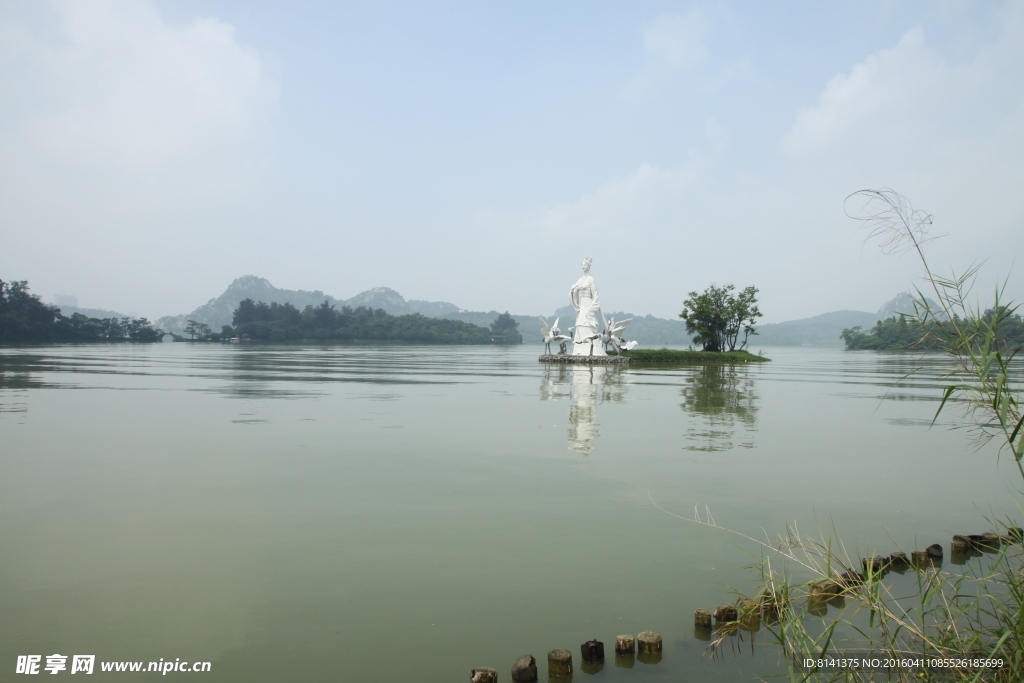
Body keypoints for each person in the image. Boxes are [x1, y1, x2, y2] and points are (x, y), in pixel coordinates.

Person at [568, 257, 605, 356]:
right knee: (580, 324)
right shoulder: (580, 280)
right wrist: (573, 290)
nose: (583, 267)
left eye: (584, 265)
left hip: (588, 303)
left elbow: (595, 295)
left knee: (587, 323)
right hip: (581, 304)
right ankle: (579, 348)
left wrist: (591, 309)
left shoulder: (591, 279)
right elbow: (573, 290)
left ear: (588, 267)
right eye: (582, 265)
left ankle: (592, 348)